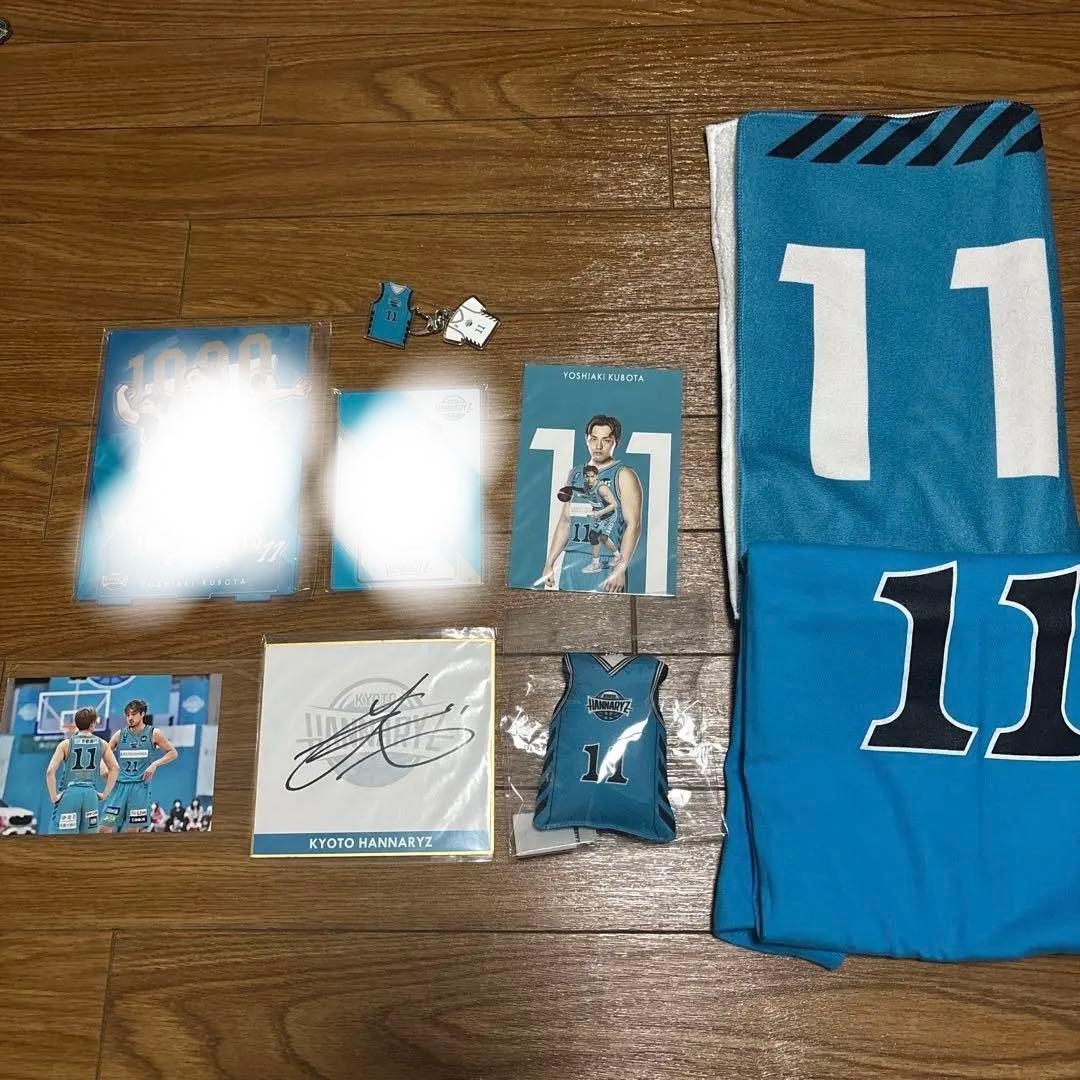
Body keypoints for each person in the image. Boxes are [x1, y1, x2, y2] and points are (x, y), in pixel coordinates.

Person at [539, 414, 642, 593]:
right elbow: (565, 522)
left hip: (605, 562)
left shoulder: (624, 475)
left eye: (606, 440)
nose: (598, 446)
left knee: (603, 613)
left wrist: (620, 569)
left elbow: (634, 525)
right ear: (587, 439)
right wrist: (549, 563)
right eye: (594, 439)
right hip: (572, 561)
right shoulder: (575, 473)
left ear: (616, 442)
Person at [99, 699, 178, 834]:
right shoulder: (120, 734)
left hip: (139, 788)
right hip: (119, 787)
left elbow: (173, 753)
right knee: (104, 828)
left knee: (132, 831)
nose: (130, 718)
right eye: (127, 715)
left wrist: (155, 764)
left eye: (133, 714)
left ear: (142, 714)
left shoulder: (154, 733)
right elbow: (104, 753)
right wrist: (104, 769)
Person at [44, 708, 119, 835]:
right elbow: (115, 768)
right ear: (92, 724)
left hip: (70, 794)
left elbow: (50, 772)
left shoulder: (65, 744)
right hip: (91, 795)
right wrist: (105, 794)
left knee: (62, 840)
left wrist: (53, 797)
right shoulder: (102, 744)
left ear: (76, 723)